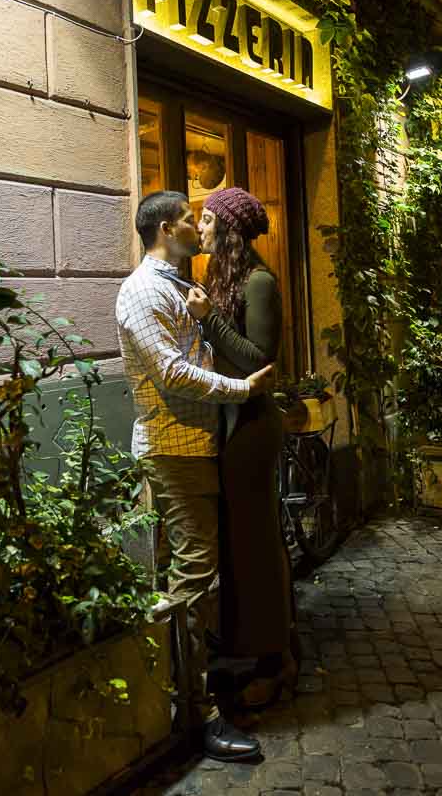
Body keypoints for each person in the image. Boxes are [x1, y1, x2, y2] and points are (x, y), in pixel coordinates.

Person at [116, 190, 273, 762]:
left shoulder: (178, 286)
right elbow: (174, 373)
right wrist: (244, 388)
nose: (195, 227)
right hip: (174, 448)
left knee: (193, 573)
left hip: (197, 445)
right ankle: (197, 715)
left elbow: (197, 352)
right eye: (188, 219)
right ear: (164, 229)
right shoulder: (141, 292)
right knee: (195, 577)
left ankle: (188, 689)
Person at [186, 187, 298, 711]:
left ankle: (274, 663)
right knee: (241, 545)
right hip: (229, 423)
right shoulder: (223, 279)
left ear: (228, 229)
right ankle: (252, 649)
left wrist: (210, 320)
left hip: (253, 429)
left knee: (254, 547)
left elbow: (259, 359)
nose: (200, 227)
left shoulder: (259, 282)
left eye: (207, 220)